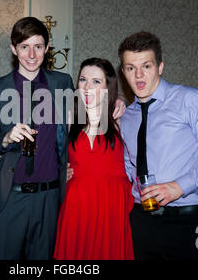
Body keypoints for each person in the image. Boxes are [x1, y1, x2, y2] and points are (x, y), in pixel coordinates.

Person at [0, 17, 125, 260]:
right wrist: (6, 138)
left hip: (50, 199)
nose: (31, 54)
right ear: (13, 48)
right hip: (10, 199)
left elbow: (90, 105)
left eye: (38, 46)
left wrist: (117, 101)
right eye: (24, 46)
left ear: (47, 49)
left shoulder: (62, 83)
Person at [119, 31, 198, 260]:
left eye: (147, 66)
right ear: (123, 72)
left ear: (160, 66)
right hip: (143, 223)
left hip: (193, 222)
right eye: (131, 68)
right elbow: (127, 165)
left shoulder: (190, 99)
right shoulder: (127, 116)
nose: (139, 75)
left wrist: (178, 186)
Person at [53, 58, 134, 260]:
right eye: (83, 79)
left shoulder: (122, 118)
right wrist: (59, 172)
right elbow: (49, 154)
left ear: (108, 86)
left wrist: (121, 99)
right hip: (77, 204)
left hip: (112, 204)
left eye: (96, 81)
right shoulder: (68, 117)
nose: (87, 87)